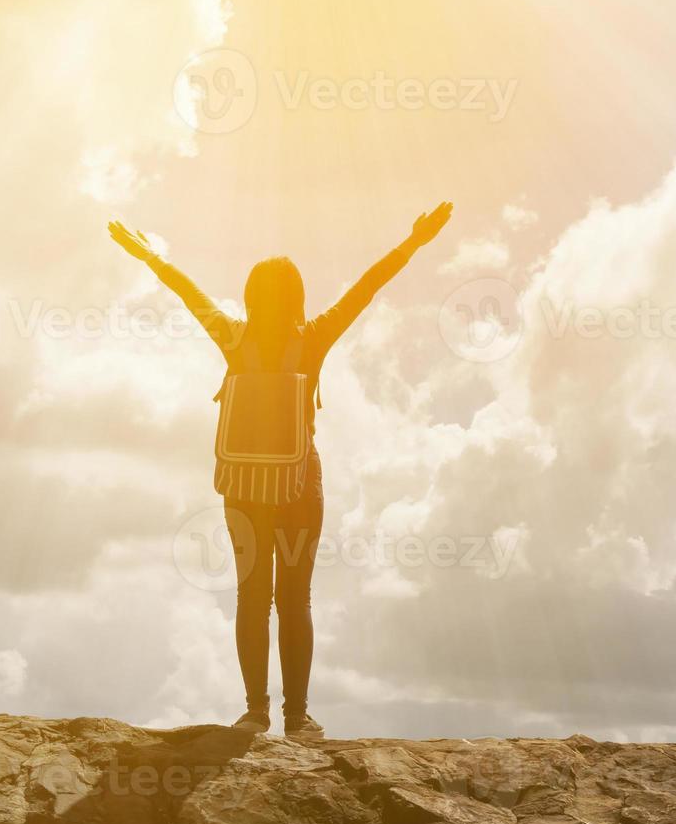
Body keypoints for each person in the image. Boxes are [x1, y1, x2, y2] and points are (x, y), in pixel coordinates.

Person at [108, 202, 453, 738]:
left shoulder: (231, 335)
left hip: (244, 486)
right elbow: (366, 287)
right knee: (296, 596)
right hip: (299, 482)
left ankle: (254, 712)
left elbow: (184, 288)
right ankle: (297, 718)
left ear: (249, 297)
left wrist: (147, 252)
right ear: (297, 297)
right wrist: (415, 241)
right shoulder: (312, 337)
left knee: (251, 593)